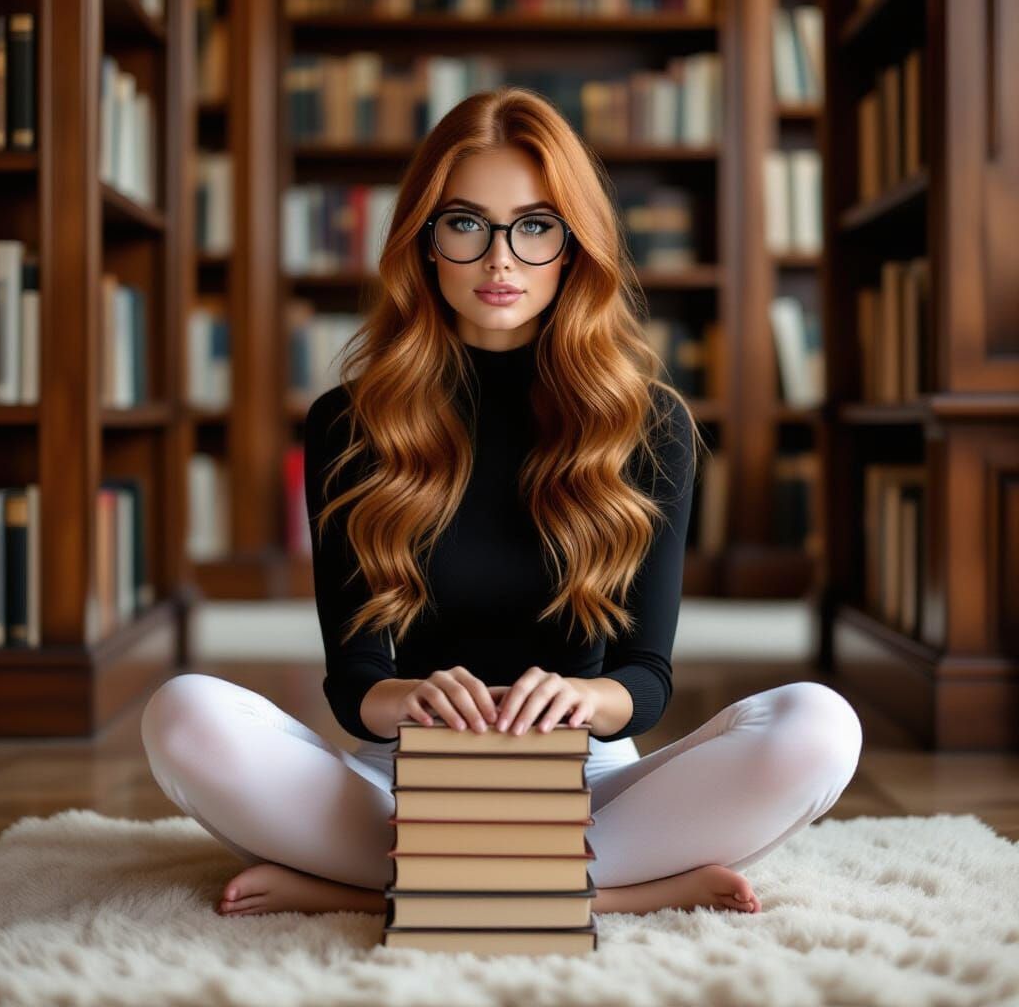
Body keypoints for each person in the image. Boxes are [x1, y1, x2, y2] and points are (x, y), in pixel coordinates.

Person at [141, 87, 863, 921]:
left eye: (534, 225)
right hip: (404, 778)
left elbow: (646, 678)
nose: (500, 259)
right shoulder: (348, 422)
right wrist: (409, 699)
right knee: (184, 713)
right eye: (465, 223)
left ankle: (369, 886)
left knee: (820, 726)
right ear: (424, 240)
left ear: (571, 245)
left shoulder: (649, 421)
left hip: (588, 780)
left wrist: (582, 700)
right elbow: (355, 681)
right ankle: (615, 889)